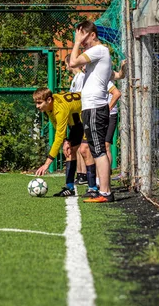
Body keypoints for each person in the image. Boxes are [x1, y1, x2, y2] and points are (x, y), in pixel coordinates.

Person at [68, 20, 113, 203]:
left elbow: (72, 62)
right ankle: (102, 190)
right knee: (96, 150)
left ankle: (105, 192)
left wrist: (77, 43)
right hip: (92, 107)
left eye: (83, 36)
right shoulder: (98, 54)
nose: (81, 41)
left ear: (92, 35)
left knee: (99, 151)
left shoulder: (98, 50)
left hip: (95, 107)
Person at [33, 88, 84, 197]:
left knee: (87, 151)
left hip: (87, 116)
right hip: (76, 121)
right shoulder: (48, 108)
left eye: (39, 103)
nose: (37, 106)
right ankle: (70, 188)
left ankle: (95, 187)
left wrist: (47, 164)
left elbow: (58, 137)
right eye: (36, 103)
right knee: (70, 151)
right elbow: (56, 125)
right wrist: (66, 141)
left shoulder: (60, 109)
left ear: (49, 100)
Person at [65, 54, 88, 186]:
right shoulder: (75, 78)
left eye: (67, 63)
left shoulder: (81, 77)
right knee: (77, 146)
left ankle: (83, 173)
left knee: (80, 146)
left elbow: (78, 97)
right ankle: (80, 173)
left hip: (80, 116)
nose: (66, 66)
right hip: (74, 117)